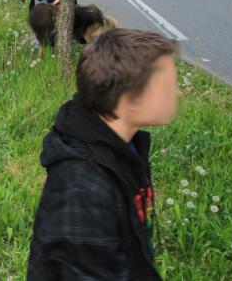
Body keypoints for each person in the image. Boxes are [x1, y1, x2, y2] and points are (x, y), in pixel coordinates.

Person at [27, 29, 179, 280]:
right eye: (167, 85)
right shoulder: (83, 191)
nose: (177, 93)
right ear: (130, 99)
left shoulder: (125, 146)